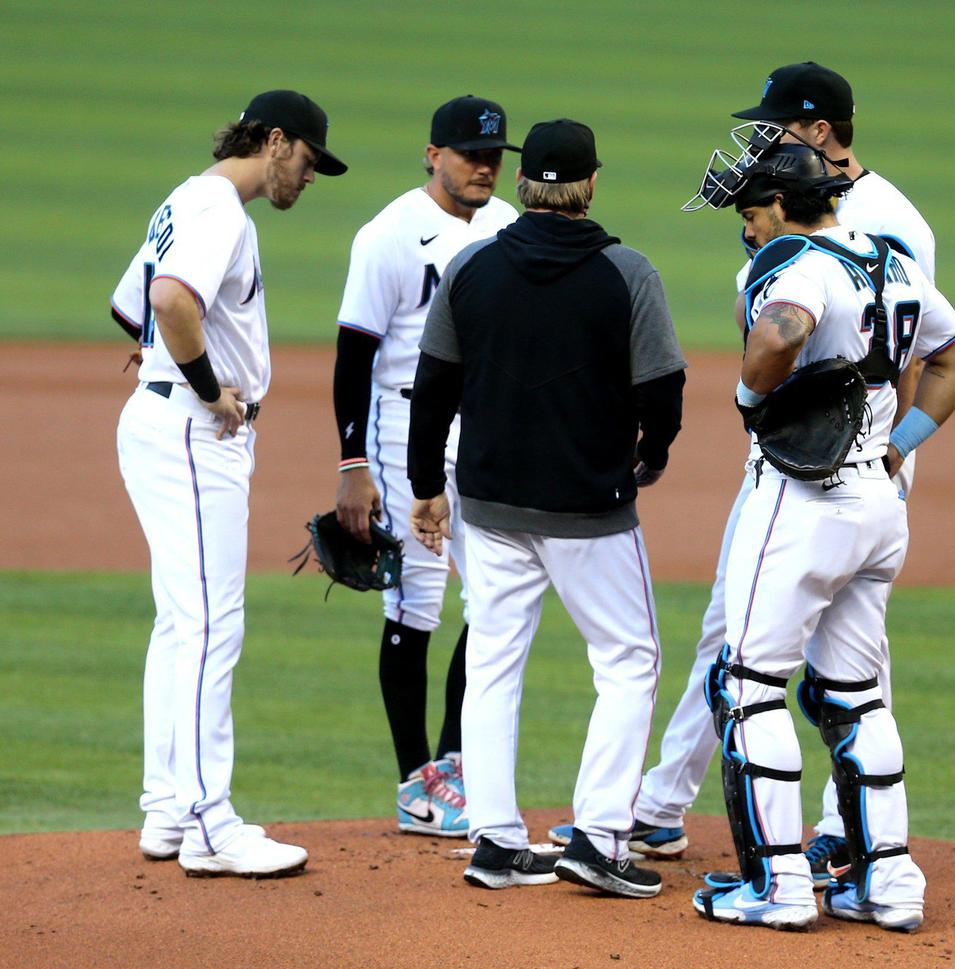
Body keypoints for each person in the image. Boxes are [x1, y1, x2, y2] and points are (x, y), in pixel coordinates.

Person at [551, 62, 937, 882]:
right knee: (738, 634)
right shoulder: (783, 210)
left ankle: (825, 843)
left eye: (780, 126)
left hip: (840, 470)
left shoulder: (886, 221)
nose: (763, 137)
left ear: (822, 135)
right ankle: (663, 807)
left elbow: (892, 349)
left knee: (804, 674)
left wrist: (894, 442)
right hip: (798, 467)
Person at [689, 140, 955, 931]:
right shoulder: (891, 262)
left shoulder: (801, 264)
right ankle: (889, 883)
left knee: (747, 687)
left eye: (752, 213)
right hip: (877, 505)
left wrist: (749, 396)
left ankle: (777, 884)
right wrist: (900, 440)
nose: (749, 230)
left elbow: (782, 330)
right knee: (856, 697)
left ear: (783, 205)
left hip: (800, 501)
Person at [407, 119, 686, 896]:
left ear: (527, 182)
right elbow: (662, 391)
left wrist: (427, 485)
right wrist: (651, 453)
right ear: (591, 184)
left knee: (493, 661)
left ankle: (494, 841)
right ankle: (599, 836)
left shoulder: (471, 268)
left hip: (489, 503)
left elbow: (431, 392)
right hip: (590, 508)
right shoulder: (626, 273)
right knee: (630, 661)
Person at [112, 90, 347, 877]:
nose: (309, 178)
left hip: (161, 421)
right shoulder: (222, 212)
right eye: (309, 160)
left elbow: (127, 306)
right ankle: (210, 824)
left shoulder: (185, 198)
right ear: (275, 142)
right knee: (212, 624)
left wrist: (167, 364)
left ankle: (167, 810)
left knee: (183, 622)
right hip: (191, 430)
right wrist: (208, 387)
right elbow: (167, 300)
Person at [332, 96, 519, 837]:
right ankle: (415, 781)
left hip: (484, 431)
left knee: (497, 598)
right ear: (431, 153)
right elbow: (353, 356)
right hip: (405, 427)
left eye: (494, 154)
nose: (483, 165)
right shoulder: (389, 234)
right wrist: (353, 463)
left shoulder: (508, 228)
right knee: (414, 604)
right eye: (469, 152)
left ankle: (455, 765)